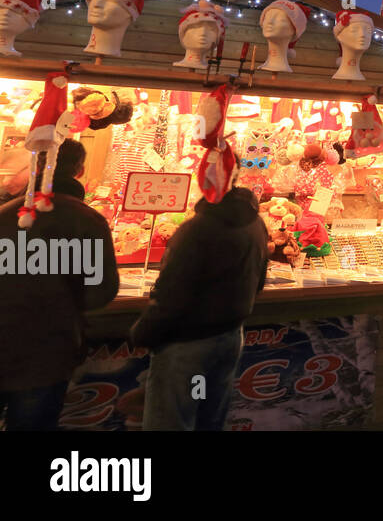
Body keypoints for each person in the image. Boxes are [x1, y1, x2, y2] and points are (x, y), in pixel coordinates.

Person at [0, 140, 119, 430]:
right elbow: (101, 292)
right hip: (47, 352)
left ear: (37, 166)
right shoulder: (88, 221)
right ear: (79, 171)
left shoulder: (5, 214)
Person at [131, 185, 268, 430]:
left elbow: (172, 292)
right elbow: (259, 281)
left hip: (187, 345)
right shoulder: (255, 222)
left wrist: (143, 333)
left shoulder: (198, 228)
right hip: (228, 337)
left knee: (172, 422)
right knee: (207, 417)